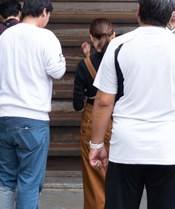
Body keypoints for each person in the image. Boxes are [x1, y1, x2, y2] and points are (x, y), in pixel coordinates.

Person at [87, 0, 175, 209]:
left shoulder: (118, 46)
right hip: (168, 148)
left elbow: (104, 101)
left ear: (138, 10)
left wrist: (96, 144)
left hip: (126, 147)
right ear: (170, 14)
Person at [0, 0, 67, 209]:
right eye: (48, 15)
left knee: (4, 181)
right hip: (33, 118)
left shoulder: (4, 37)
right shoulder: (46, 37)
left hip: (4, 116)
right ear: (44, 12)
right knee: (29, 183)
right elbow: (57, 71)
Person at [73, 18, 116, 209]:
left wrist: (87, 59)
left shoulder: (84, 66)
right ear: (113, 36)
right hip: (119, 119)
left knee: (94, 180)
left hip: (93, 119)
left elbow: (76, 105)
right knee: (119, 177)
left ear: (91, 38)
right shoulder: (119, 61)